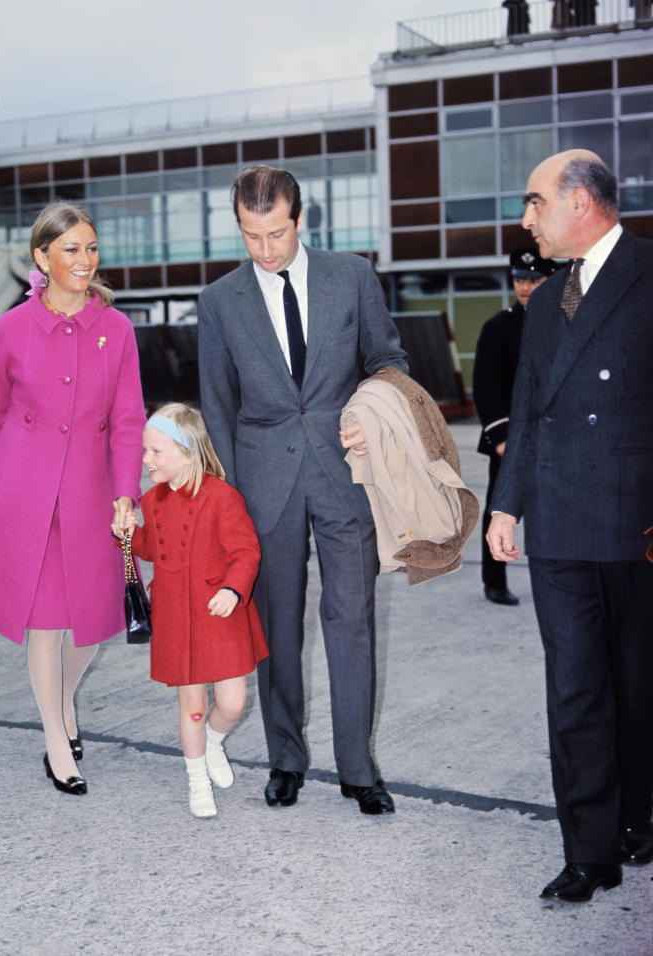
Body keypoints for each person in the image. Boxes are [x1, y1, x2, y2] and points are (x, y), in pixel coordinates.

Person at [198, 165, 408, 813]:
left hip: (346, 480)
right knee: (277, 627)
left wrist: (374, 416)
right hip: (263, 485)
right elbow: (217, 407)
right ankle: (285, 757)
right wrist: (226, 504)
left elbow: (389, 361)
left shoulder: (353, 277)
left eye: (278, 234)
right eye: (251, 236)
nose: (266, 250)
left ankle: (358, 769)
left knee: (351, 619)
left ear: (300, 218)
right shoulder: (218, 301)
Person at [487, 149, 653, 903]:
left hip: (635, 523)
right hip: (557, 524)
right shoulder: (546, 299)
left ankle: (639, 816)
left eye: (535, 203)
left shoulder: (648, 276)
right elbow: (528, 413)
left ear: (581, 202)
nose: (528, 219)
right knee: (576, 691)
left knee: (639, 683)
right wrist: (506, 503)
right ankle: (589, 849)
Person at [0, 202, 145, 796]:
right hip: (24, 490)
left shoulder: (118, 328)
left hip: (93, 490)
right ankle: (57, 740)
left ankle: (63, 705)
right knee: (47, 622)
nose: (85, 260)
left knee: (94, 621)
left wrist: (127, 492)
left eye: (90, 247)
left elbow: (130, 419)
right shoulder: (10, 327)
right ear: (41, 258)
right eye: (71, 250)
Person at [112, 404, 268, 818]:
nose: (146, 461)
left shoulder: (222, 496)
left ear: (188, 451)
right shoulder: (152, 499)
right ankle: (197, 779)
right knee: (192, 707)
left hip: (220, 614)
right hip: (176, 616)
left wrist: (235, 589)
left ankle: (213, 742)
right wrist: (130, 536)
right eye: (145, 451)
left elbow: (245, 551)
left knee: (232, 703)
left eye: (155, 452)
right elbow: (155, 552)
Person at [473, 247, 557, 606]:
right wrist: (502, 438)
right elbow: (485, 386)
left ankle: (558, 577)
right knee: (499, 508)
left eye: (534, 279)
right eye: (520, 279)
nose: (525, 287)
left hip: (557, 437)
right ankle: (494, 581)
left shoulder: (567, 323)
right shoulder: (498, 327)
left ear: (551, 279)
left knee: (557, 509)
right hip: (511, 440)